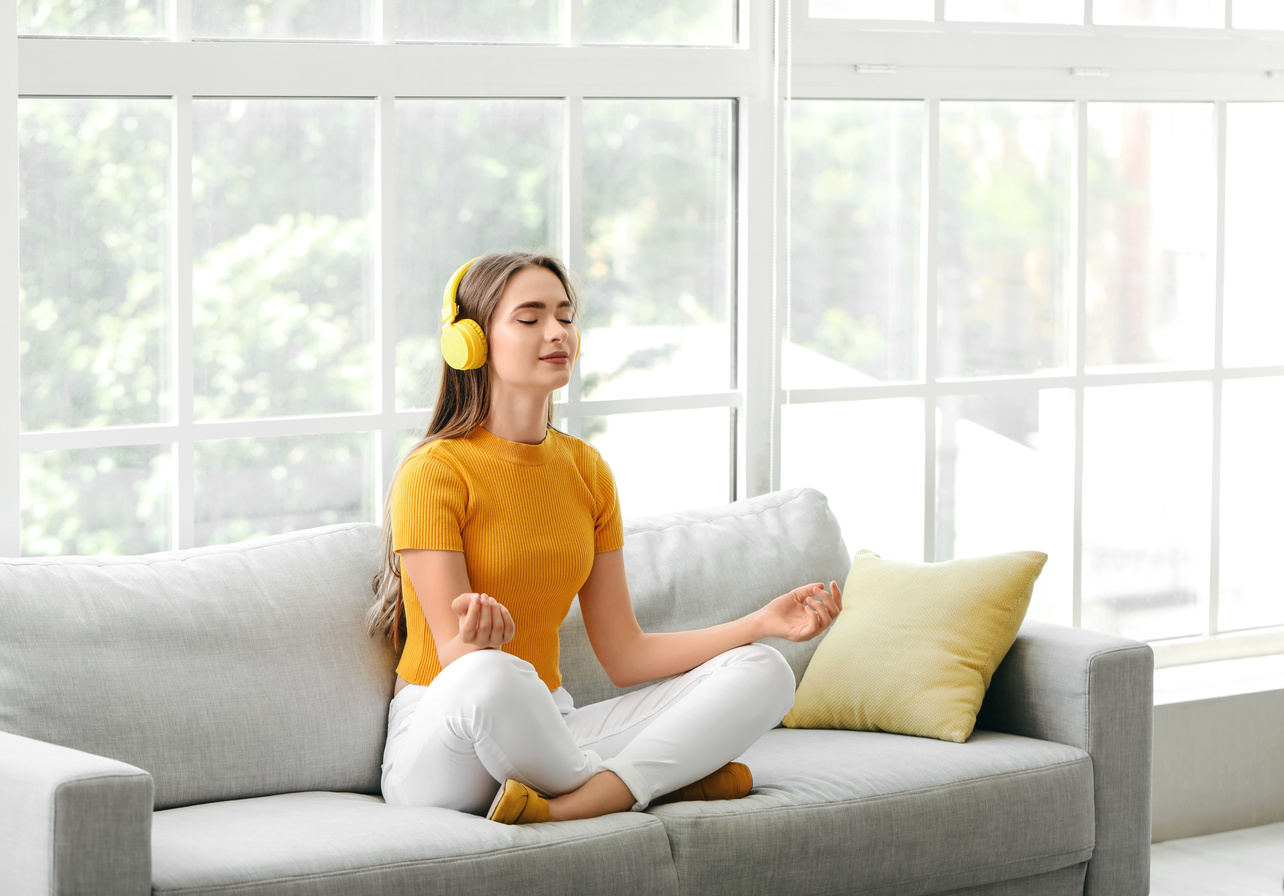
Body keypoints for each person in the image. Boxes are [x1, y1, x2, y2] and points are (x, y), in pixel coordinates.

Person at [367, 250, 842, 825]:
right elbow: (455, 659)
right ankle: (652, 782)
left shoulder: (586, 470)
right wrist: (479, 645)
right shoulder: (433, 471)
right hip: (444, 740)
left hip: (550, 726)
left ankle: (580, 799)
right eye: (530, 317)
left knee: (764, 669)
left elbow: (625, 654)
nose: (557, 332)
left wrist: (760, 623)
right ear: (470, 340)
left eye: (565, 316)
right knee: (491, 673)